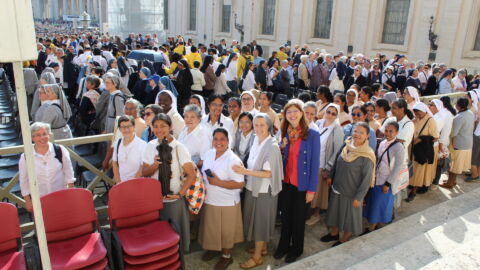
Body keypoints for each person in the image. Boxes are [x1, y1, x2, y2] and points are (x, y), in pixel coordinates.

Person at [232, 114, 284, 269]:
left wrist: (244, 172)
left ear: (268, 126)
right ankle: (263, 248)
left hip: (263, 191)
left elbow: (269, 174)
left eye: (262, 125)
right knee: (255, 220)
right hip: (252, 187)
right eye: (256, 124)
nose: (258, 128)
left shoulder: (272, 146)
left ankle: (257, 258)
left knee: (261, 222)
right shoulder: (256, 139)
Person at [142, 113, 197, 252]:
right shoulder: (150, 146)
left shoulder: (179, 148)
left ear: (170, 127)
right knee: (159, 238)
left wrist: (179, 194)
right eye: (155, 126)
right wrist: (154, 165)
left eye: (163, 126)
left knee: (175, 236)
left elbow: (191, 175)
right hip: (154, 201)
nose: (159, 130)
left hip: (173, 202)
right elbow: (144, 172)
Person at [274, 99, 320, 263]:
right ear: (285, 116)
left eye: (295, 111)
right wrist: (281, 148)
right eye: (288, 112)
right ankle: (283, 245)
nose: (292, 115)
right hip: (286, 182)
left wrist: (312, 190)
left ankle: (296, 248)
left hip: (302, 184)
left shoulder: (313, 135)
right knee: (285, 217)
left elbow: (315, 164)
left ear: (301, 113)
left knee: (298, 219)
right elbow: (282, 159)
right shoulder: (285, 133)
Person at [321, 122, 375, 246]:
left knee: (349, 218)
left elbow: (366, 180)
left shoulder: (367, 155)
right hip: (337, 187)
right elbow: (337, 161)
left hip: (352, 193)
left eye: (361, 132)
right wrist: (331, 176)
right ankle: (334, 234)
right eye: (356, 131)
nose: (357, 134)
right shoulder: (346, 145)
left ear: (367, 136)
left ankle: (345, 238)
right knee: (334, 213)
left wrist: (359, 197)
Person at [199, 128, 245, 270]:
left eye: (222, 139)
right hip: (210, 199)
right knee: (212, 228)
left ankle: (226, 256)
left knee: (226, 231)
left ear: (228, 141)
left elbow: (240, 184)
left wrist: (218, 182)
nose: (218, 142)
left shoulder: (233, 160)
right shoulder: (208, 153)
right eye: (215, 139)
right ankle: (214, 248)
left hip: (227, 203)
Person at [19, 122, 75, 212]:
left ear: (49, 135)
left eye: (44, 134)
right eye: (37, 135)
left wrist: (71, 192)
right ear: (32, 138)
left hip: (61, 196)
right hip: (39, 200)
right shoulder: (25, 157)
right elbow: (23, 181)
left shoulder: (60, 150)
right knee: (45, 224)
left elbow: (69, 173)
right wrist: (28, 201)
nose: (42, 138)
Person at [363, 122, 405, 233]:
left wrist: (388, 183)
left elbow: (397, 167)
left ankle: (372, 226)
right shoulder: (382, 142)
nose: (388, 133)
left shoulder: (399, 147)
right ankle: (376, 222)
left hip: (386, 180)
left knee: (379, 204)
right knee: (376, 203)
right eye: (386, 130)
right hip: (377, 178)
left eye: (391, 131)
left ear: (397, 132)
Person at [307, 104, 344, 226]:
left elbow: (337, 150)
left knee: (319, 192)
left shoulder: (337, 129)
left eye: (334, 113)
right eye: (328, 112)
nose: (330, 115)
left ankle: (316, 214)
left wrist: (328, 167)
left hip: (322, 164)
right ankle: (308, 212)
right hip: (311, 162)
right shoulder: (318, 123)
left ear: (337, 115)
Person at [407, 102, 439, 201]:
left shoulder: (430, 121)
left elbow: (435, 137)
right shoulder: (416, 119)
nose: (417, 115)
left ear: (424, 111)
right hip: (412, 149)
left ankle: (414, 191)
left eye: (419, 113)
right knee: (412, 168)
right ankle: (412, 184)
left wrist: (421, 138)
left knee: (419, 171)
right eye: (416, 113)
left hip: (422, 150)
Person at [441, 98, 475, 188]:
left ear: (457, 106)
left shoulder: (458, 117)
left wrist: (452, 147)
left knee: (453, 166)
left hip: (458, 145)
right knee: (456, 166)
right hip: (468, 143)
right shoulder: (470, 113)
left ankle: (450, 183)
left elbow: (453, 134)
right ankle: (453, 181)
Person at [112, 115, 147, 183]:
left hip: (137, 183)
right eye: (123, 127)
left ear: (134, 127)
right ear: (119, 129)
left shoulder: (142, 145)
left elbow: (142, 167)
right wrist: (118, 182)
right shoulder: (118, 143)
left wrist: (130, 184)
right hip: (121, 184)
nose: (126, 129)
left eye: (129, 126)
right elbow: (114, 163)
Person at [429, 98, 454, 187]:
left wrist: (440, 145)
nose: (429, 106)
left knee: (439, 163)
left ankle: (435, 183)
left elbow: (443, 132)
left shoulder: (442, 116)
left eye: (431, 105)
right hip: (442, 142)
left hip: (441, 142)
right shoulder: (443, 113)